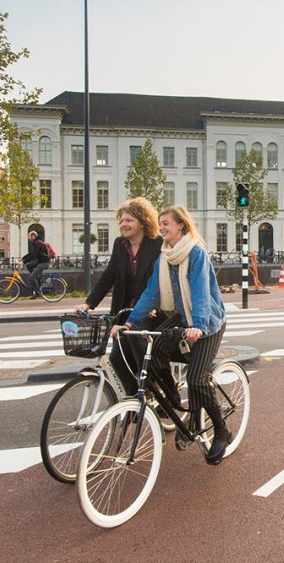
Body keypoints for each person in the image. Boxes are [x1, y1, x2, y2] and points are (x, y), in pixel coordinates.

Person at [110, 205, 231, 465]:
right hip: (182, 317)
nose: (161, 227)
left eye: (166, 223)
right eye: (161, 223)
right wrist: (130, 324)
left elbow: (200, 292)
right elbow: (152, 293)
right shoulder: (165, 256)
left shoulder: (195, 252)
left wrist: (198, 325)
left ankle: (222, 431)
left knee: (197, 378)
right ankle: (173, 400)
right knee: (151, 349)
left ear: (181, 226)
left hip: (207, 320)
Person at [74, 198, 164, 393]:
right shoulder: (119, 244)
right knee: (117, 359)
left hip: (150, 311)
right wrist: (88, 304)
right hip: (123, 312)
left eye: (129, 220)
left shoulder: (157, 243)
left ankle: (158, 393)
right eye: (121, 221)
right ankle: (134, 401)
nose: (124, 224)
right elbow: (109, 276)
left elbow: (163, 280)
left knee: (142, 357)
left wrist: (155, 306)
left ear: (143, 221)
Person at [20, 230, 51, 296]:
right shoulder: (37, 242)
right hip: (40, 261)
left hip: (44, 263)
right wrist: (23, 257)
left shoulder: (38, 243)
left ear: (33, 236)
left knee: (31, 277)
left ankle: (38, 292)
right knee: (28, 265)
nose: (29, 238)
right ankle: (36, 279)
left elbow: (33, 255)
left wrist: (24, 261)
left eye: (29, 236)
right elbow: (32, 253)